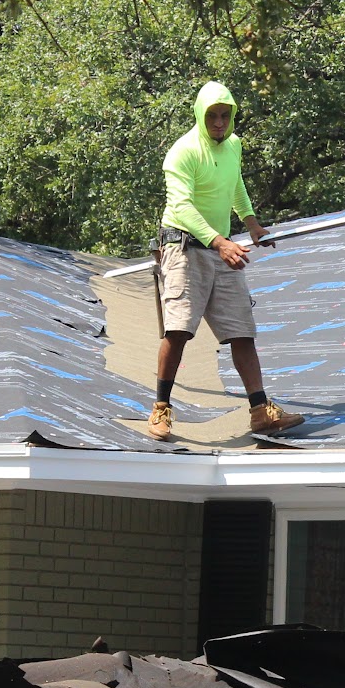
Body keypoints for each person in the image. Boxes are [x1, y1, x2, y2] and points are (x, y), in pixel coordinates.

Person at [147, 82, 306, 442]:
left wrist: (251, 224)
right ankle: (161, 408)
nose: (219, 123)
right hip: (184, 247)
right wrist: (220, 242)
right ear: (200, 116)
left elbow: (235, 185)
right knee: (178, 330)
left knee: (241, 331)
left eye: (225, 116)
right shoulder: (183, 152)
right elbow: (182, 208)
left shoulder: (233, 145)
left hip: (221, 247)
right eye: (212, 117)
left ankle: (260, 411)